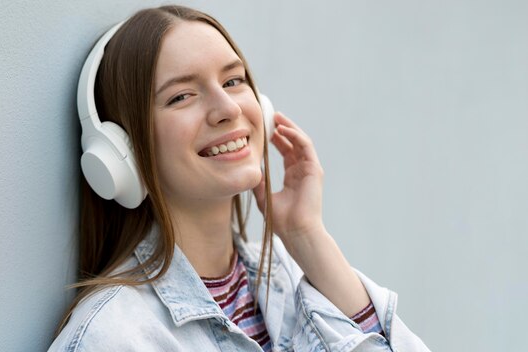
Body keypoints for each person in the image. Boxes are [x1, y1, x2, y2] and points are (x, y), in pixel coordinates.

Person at [49, 5, 430, 352]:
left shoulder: (289, 274)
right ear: (124, 152)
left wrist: (306, 234)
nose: (228, 109)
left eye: (233, 81)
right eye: (181, 96)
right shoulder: (114, 337)